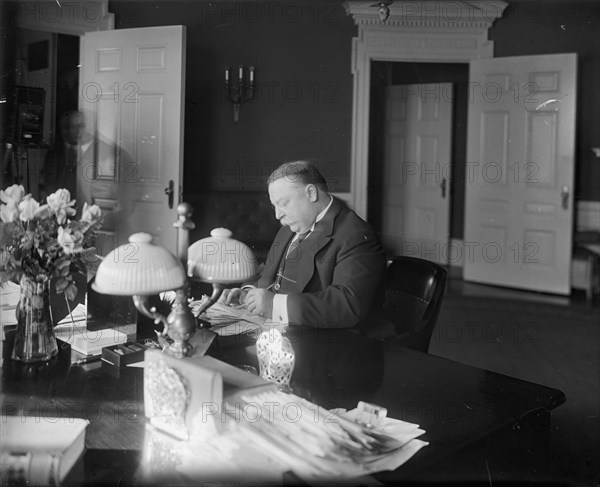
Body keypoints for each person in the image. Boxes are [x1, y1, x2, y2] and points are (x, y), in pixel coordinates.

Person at [222, 161, 386, 332]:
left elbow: (348, 305)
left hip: (330, 341)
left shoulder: (355, 235)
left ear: (311, 193)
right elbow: (269, 270)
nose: (278, 215)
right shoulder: (290, 228)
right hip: (279, 332)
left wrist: (273, 304)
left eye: (284, 203)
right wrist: (248, 293)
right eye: (274, 206)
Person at [40, 110, 93, 199]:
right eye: (73, 127)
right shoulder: (54, 154)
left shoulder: (92, 151)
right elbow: (49, 184)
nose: (77, 131)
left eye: (81, 126)